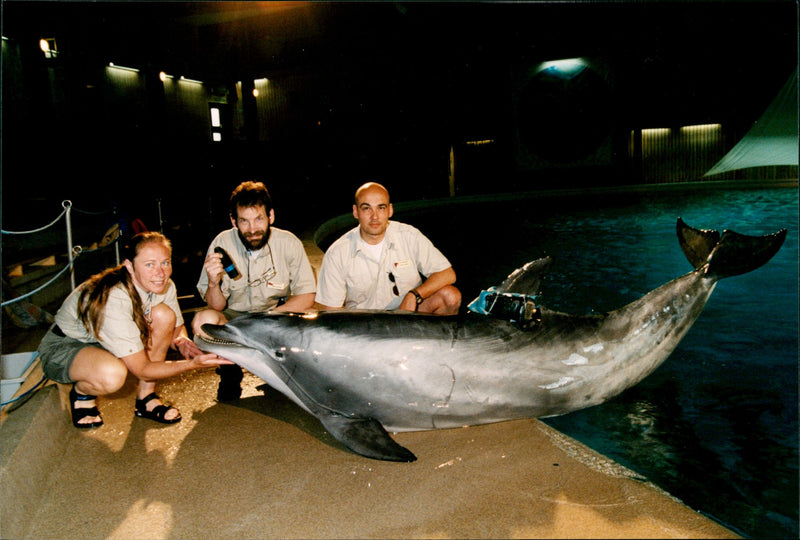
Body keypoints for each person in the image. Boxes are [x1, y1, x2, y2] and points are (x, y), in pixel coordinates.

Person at [37, 231, 232, 429]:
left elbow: (176, 328)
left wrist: (182, 340)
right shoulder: (113, 297)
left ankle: (146, 398)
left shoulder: (164, 285)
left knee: (164, 315)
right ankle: (82, 392)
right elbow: (142, 369)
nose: (160, 273)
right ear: (129, 266)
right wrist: (193, 364)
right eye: (150, 265)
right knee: (112, 375)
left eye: (165, 263)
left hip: (107, 341)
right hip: (66, 347)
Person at [192, 181, 316, 400]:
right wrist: (213, 283)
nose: (252, 230)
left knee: (310, 323)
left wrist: (268, 319)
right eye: (244, 221)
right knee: (203, 322)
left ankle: (281, 372)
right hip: (234, 318)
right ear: (234, 221)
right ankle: (230, 371)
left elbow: (307, 295)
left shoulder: (289, 243)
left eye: (259, 219)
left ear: (271, 217)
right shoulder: (221, 243)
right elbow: (216, 306)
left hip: (274, 316)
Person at [315, 182, 461, 314]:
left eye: (381, 208)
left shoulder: (409, 236)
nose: (375, 216)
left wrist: (415, 295)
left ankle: (430, 342)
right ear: (355, 212)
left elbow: (447, 273)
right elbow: (329, 310)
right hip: (364, 326)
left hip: (408, 315)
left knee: (450, 296)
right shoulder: (338, 253)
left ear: (390, 210)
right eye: (366, 208)